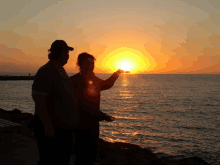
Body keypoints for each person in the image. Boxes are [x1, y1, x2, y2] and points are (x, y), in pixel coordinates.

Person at [69, 52, 123, 165]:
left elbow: (105, 84)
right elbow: (83, 106)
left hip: (93, 124)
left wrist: (116, 74)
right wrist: (103, 116)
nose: (91, 66)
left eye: (92, 63)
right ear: (80, 64)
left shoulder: (92, 78)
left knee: (91, 155)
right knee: (82, 156)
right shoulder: (74, 81)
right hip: (80, 125)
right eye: (88, 63)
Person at [32, 40, 79, 165]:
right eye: (67, 52)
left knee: (63, 159)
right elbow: (39, 100)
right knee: (49, 160)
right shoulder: (46, 71)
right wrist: (47, 125)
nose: (68, 56)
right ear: (61, 53)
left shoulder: (60, 70)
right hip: (53, 128)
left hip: (63, 128)